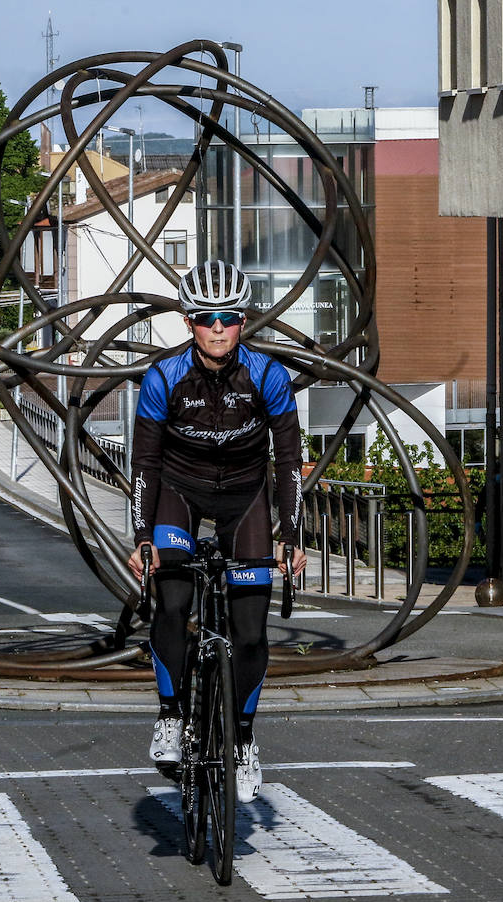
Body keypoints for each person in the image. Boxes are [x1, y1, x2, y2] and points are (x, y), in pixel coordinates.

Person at [126, 260, 308, 803]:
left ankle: (245, 742)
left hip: (246, 499)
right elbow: (145, 464)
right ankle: (168, 715)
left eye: (229, 317)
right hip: (180, 494)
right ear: (189, 323)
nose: (219, 327)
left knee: (251, 630)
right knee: (174, 602)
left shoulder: (269, 376)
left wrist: (290, 535)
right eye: (207, 317)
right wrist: (142, 537)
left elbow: (290, 460)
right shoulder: (163, 378)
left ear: (244, 320)